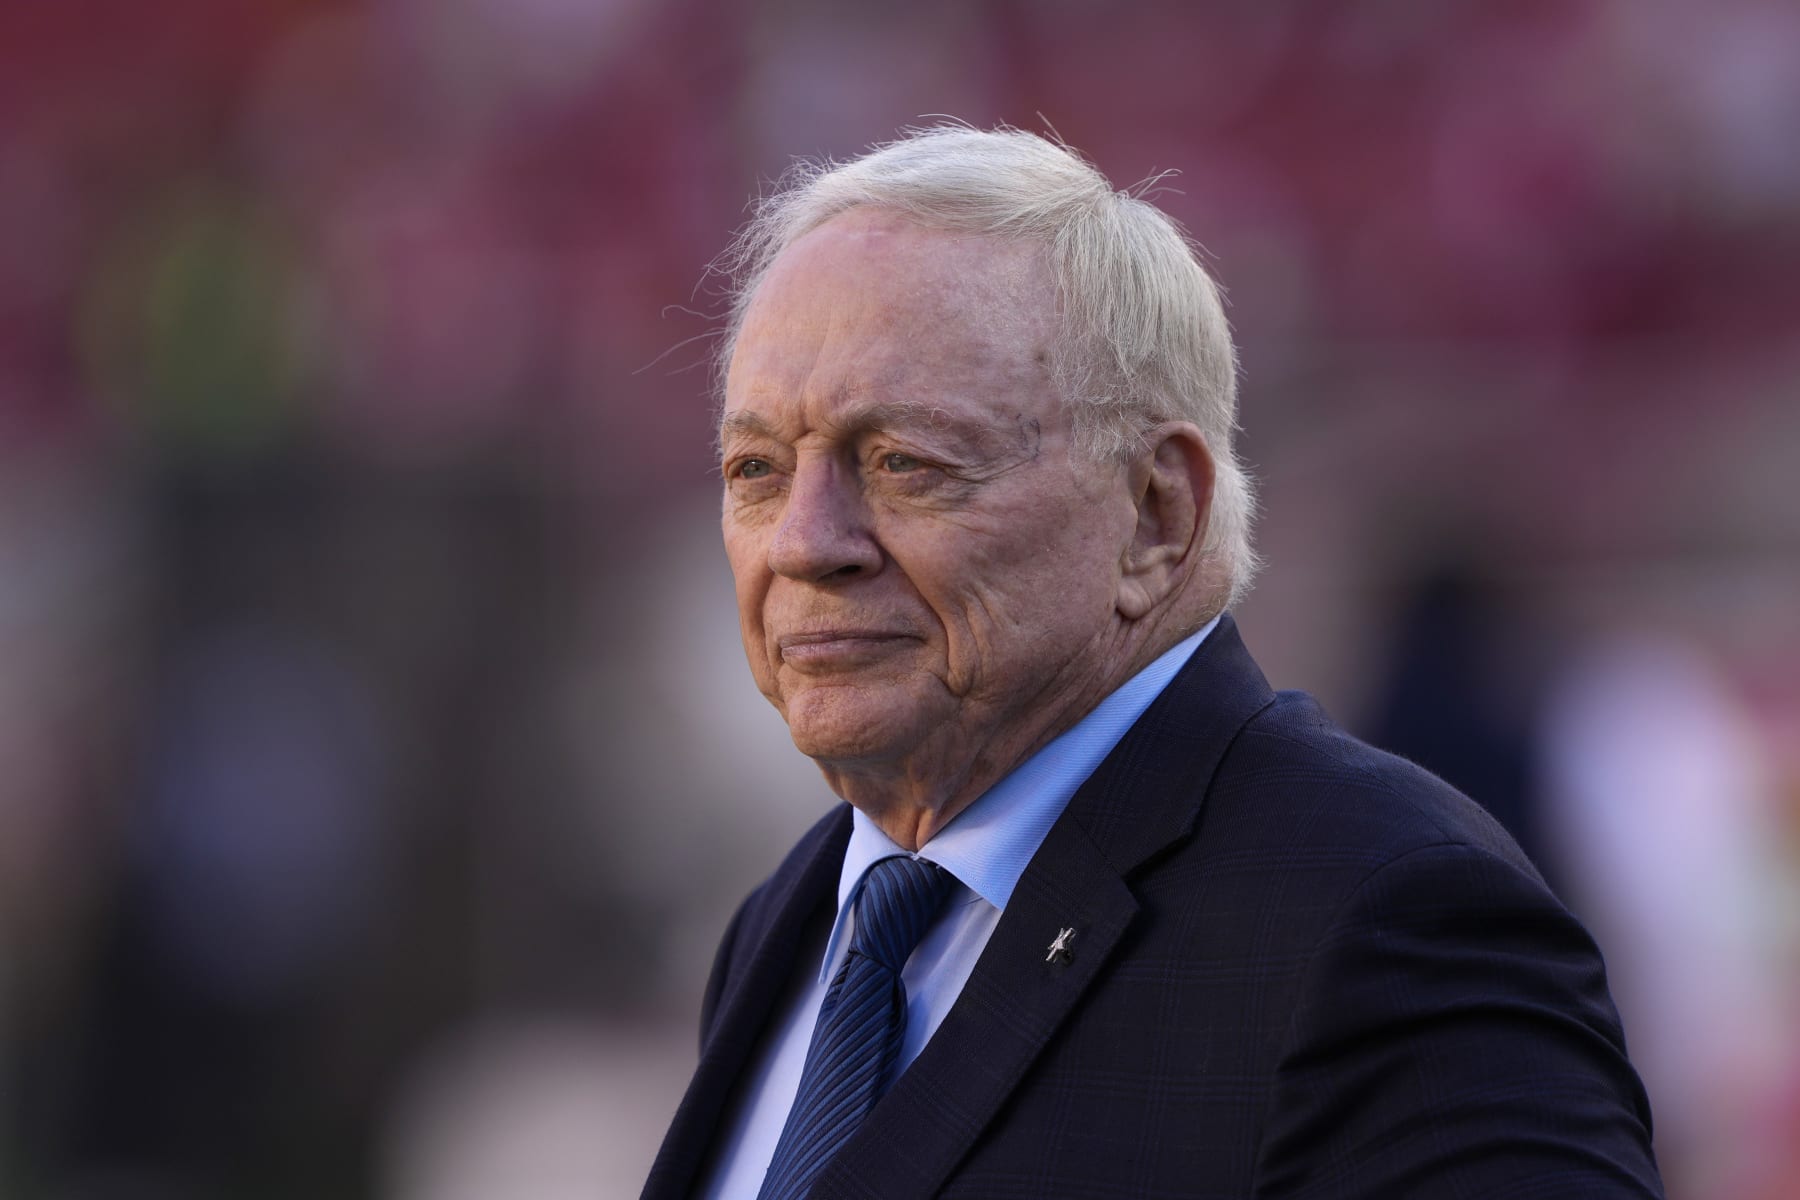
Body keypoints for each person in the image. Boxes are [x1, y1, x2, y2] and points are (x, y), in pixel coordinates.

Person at [643, 125, 1663, 1199]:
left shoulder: (1381, 918)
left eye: (902, 463)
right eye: (756, 469)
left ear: (1155, 516)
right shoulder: (798, 918)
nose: (804, 542)